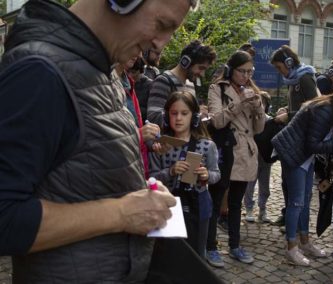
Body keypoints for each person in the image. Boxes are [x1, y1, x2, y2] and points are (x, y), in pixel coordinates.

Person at [0, 0, 197, 282]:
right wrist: (120, 213)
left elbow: (83, 173)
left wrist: (140, 193)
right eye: (162, 25)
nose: (161, 44)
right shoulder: (40, 73)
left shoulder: (101, 70)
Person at [271, 84, 333, 266]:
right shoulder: (325, 111)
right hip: (295, 156)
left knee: (305, 200)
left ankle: (305, 242)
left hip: (304, 158)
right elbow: (312, 145)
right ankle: (291, 248)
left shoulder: (332, 110)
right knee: (296, 202)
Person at [206, 50, 265, 267]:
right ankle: (210, 246)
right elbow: (217, 121)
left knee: (236, 203)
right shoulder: (217, 89)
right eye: (242, 71)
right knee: (216, 200)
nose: (246, 76)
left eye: (250, 72)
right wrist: (239, 103)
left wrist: (258, 108)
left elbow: (258, 129)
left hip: (246, 153)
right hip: (226, 151)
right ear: (231, 70)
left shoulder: (253, 91)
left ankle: (235, 245)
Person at [149, 91, 220, 258]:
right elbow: (151, 179)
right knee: (168, 255)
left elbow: (217, 174)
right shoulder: (160, 146)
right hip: (166, 206)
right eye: (174, 113)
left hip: (198, 206)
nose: (178, 118)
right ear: (166, 116)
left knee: (196, 254)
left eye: (184, 113)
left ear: (194, 117)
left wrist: (206, 175)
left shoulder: (207, 145)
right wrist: (170, 171)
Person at [269, 45, 319, 228]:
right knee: (287, 181)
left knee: (296, 185)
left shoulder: (305, 78)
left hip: (301, 140)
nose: (278, 71)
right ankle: (289, 215)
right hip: (293, 136)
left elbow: (314, 107)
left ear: (289, 62)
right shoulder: (293, 79)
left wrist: (288, 116)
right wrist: (286, 109)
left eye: (279, 67)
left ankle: (296, 223)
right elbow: (298, 106)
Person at [147, 40, 216, 127]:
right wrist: (193, 115)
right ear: (186, 61)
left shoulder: (190, 85)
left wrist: (201, 115)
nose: (202, 74)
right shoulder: (164, 81)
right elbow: (153, 118)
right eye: (200, 68)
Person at [244, 92, 281, 223]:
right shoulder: (249, 120)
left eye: (263, 103)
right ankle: (249, 209)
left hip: (265, 159)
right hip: (252, 158)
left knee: (264, 186)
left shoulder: (271, 121)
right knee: (249, 184)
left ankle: (262, 210)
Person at [127, 57, 154, 124]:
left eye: (133, 72)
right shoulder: (125, 83)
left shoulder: (150, 85)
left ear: (141, 70)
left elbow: (151, 111)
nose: (130, 75)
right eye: (128, 72)